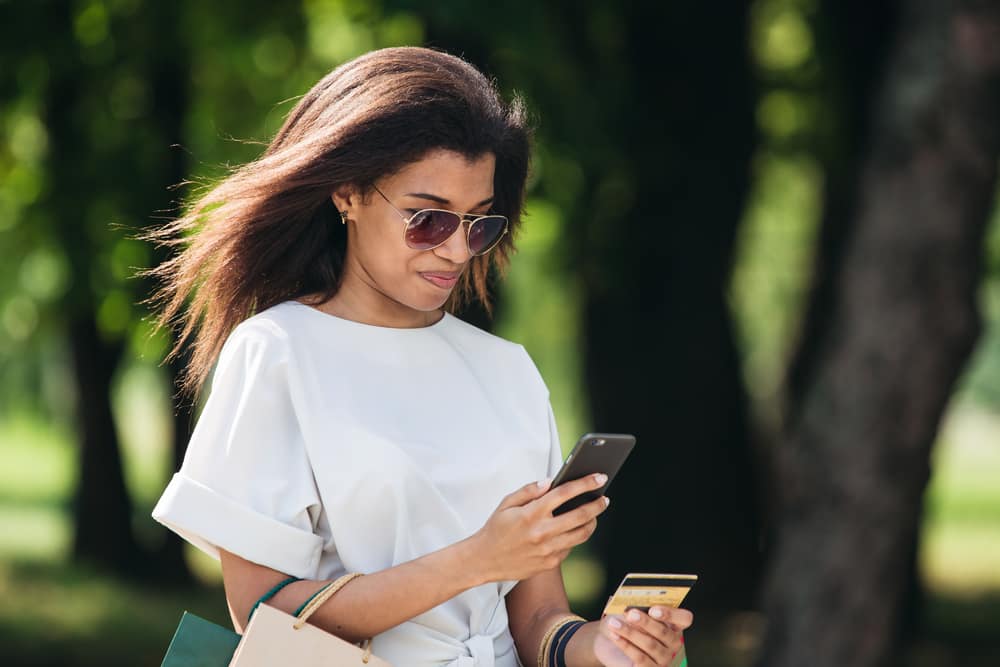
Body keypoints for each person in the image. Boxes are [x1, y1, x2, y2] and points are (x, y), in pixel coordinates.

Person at [149, 46, 692, 667]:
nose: (457, 251)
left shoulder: (506, 370)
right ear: (347, 194)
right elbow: (263, 613)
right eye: (427, 220)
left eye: (479, 223)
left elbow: (537, 619)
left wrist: (606, 644)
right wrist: (477, 559)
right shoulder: (279, 353)